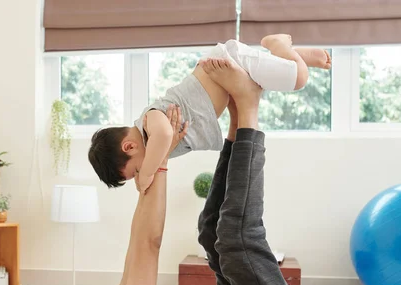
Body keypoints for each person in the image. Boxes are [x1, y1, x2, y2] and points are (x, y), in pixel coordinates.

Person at [21, 58, 312, 285]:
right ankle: (248, 108)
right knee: (235, 236)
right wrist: (158, 162)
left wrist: (157, 156)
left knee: (210, 229)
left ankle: (235, 125)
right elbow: (150, 245)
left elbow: (136, 240)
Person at [88, 33, 331, 193]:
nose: (142, 173)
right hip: (231, 76)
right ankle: (295, 56)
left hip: (229, 61)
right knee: (273, 79)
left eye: (136, 170)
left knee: (300, 79)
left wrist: (147, 175)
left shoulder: (149, 121)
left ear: (129, 147)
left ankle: (279, 45)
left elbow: (163, 134)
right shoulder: (149, 140)